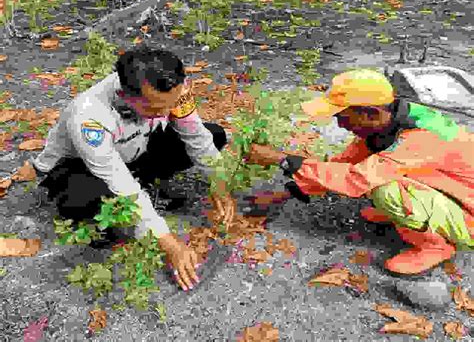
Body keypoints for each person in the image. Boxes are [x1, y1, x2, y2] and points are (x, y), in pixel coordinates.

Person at [31, 46, 235, 291]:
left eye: (170, 105)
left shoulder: (172, 90)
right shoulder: (89, 117)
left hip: (134, 152)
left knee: (214, 135)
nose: (167, 112)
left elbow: (196, 137)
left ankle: (143, 189)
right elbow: (119, 181)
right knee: (86, 196)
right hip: (81, 168)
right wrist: (168, 243)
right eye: (156, 109)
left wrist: (219, 184)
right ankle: (120, 210)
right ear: (126, 95)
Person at [246, 69, 474, 275]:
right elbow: (341, 165)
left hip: (469, 215)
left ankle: (436, 245)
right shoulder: (391, 121)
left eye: (341, 116)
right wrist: (285, 193)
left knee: (385, 190)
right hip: (454, 192)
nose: (340, 125)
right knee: (374, 169)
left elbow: (355, 179)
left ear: (370, 113)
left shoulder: (420, 136)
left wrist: (282, 159)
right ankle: (411, 217)